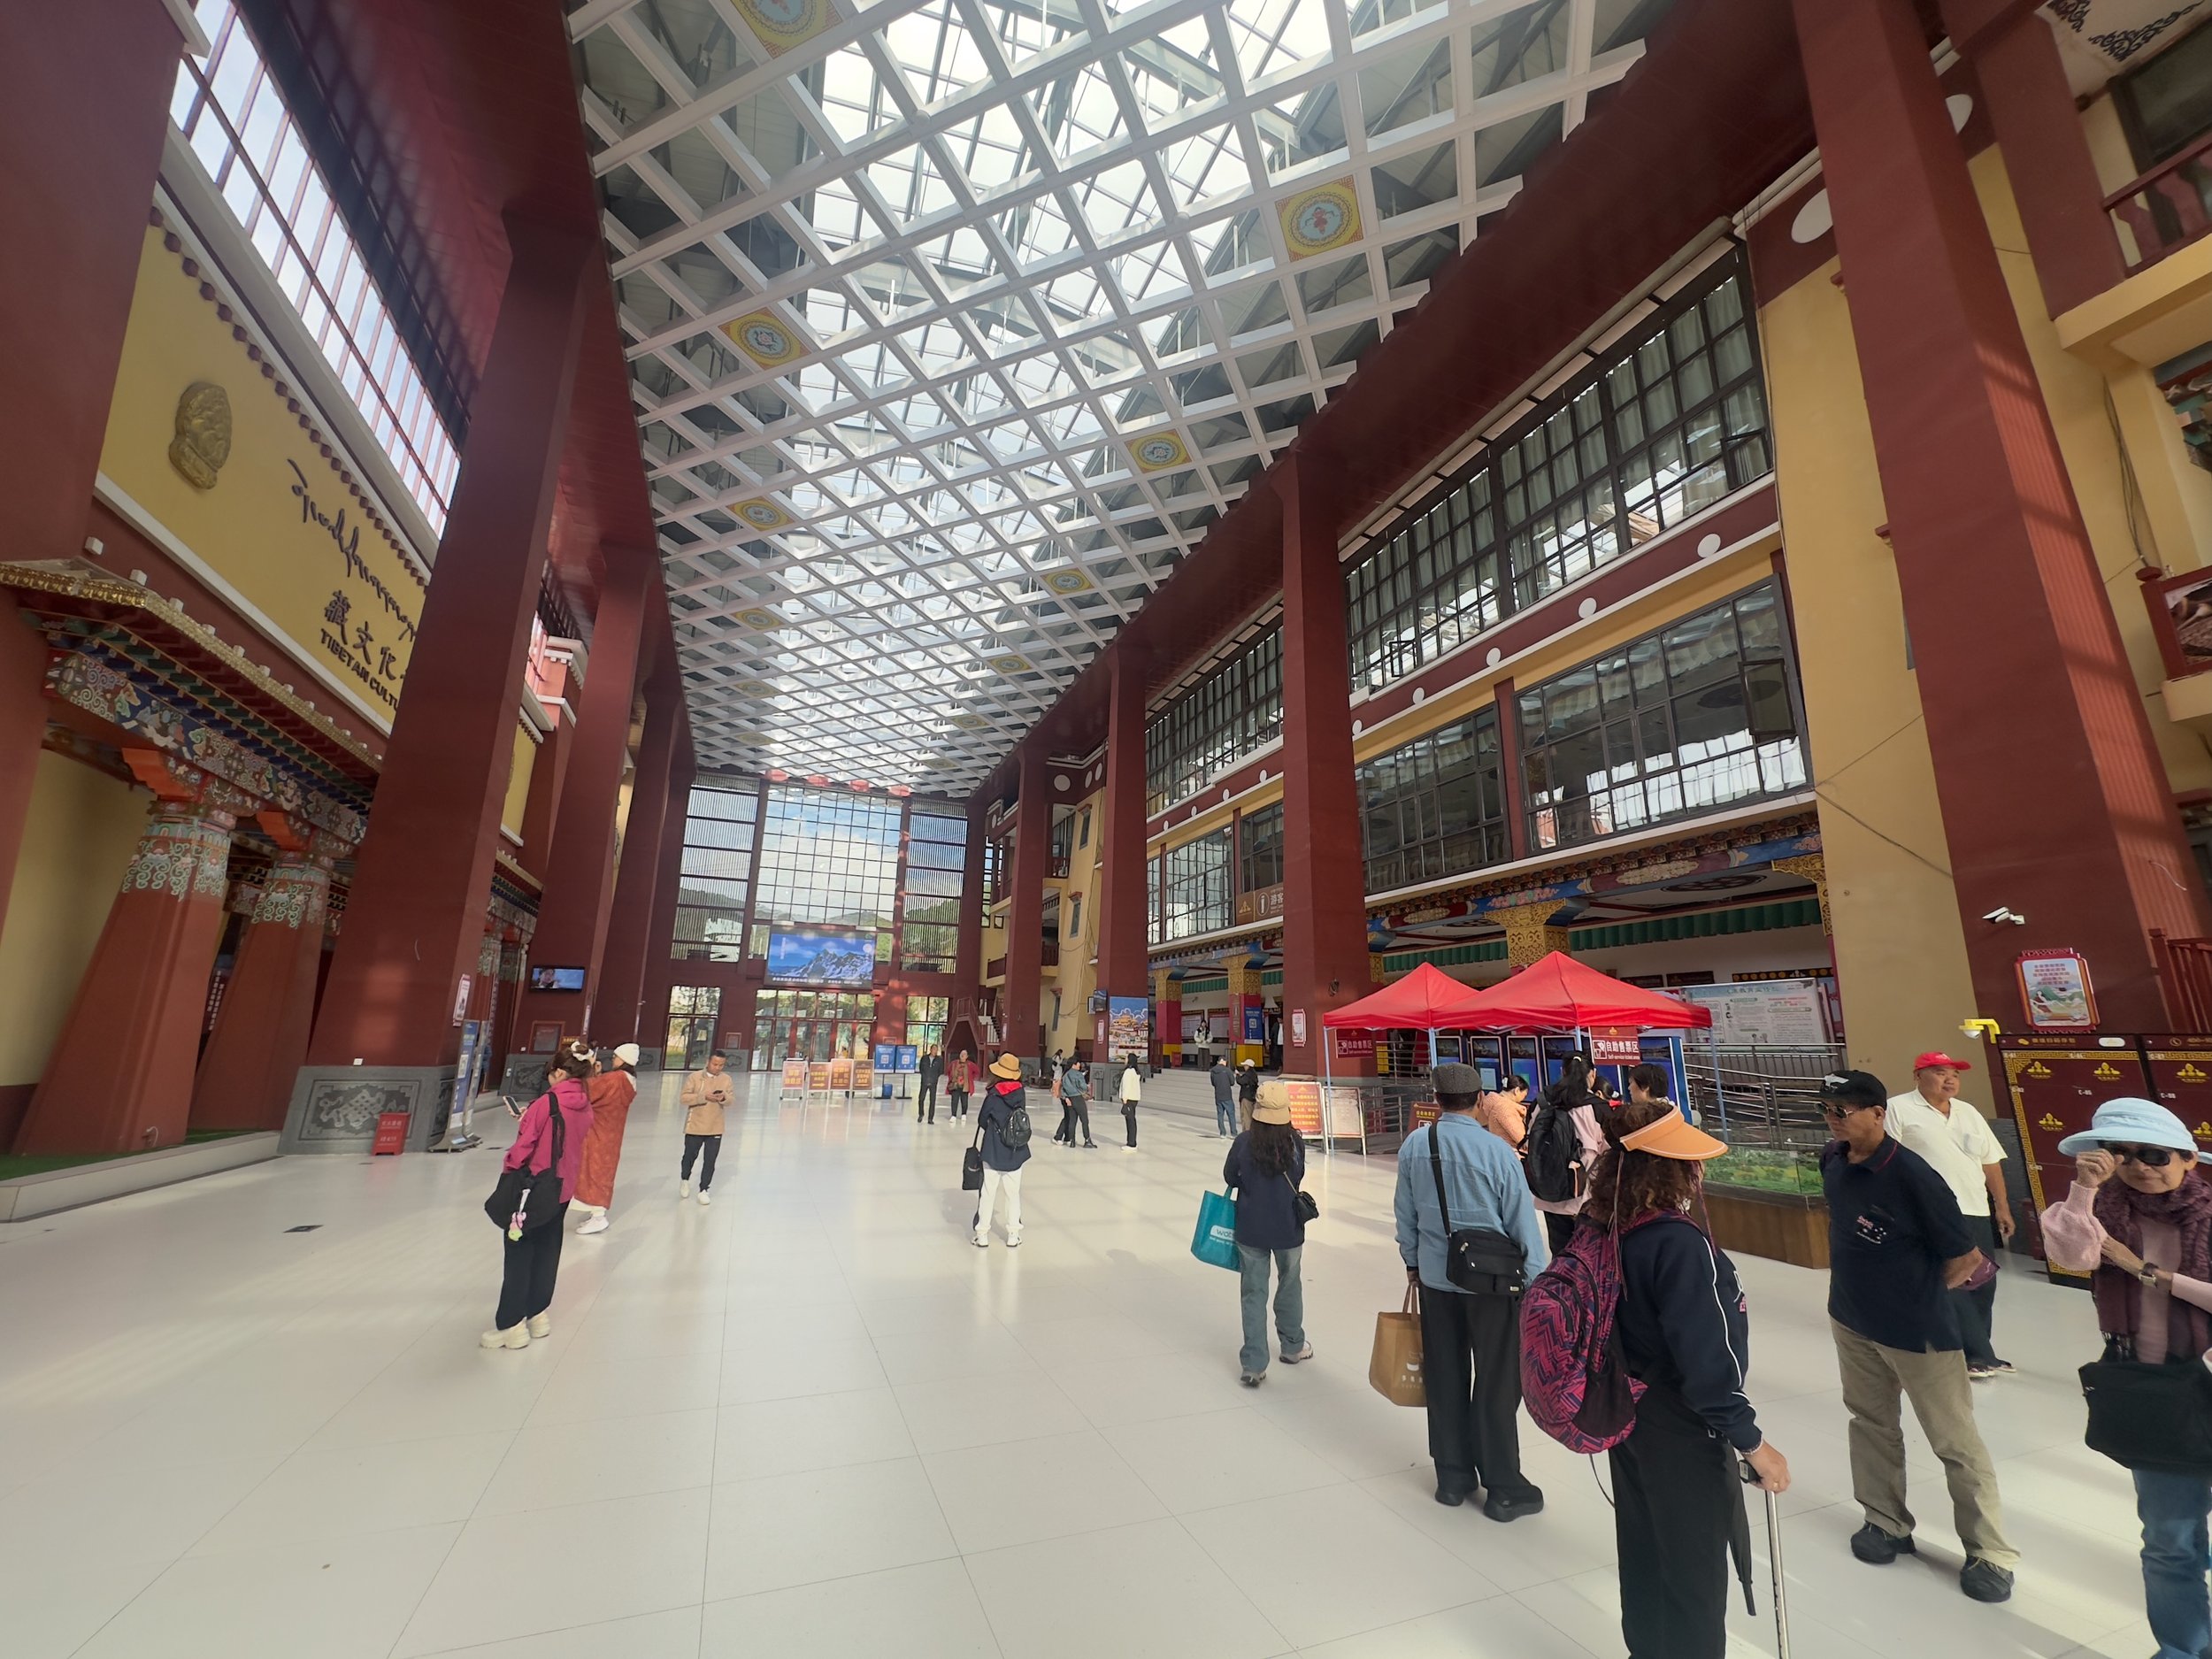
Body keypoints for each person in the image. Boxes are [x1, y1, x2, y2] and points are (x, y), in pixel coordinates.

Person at [1590, 1094, 1791, 1657]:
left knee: (1646, 1553)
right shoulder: (1679, 1244)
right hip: (1682, 1427)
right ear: (1674, 1170)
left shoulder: (1609, 1226)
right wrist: (1751, 1443)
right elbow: (1707, 1364)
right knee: (1695, 1577)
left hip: (1626, 1416)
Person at [1818, 1069, 2016, 1602]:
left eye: (1844, 1112)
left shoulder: (1912, 1175)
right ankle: (1886, 1522)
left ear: (1879, 1114)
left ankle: (1989, 1553)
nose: (1834, 1121)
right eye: (1828, 1111)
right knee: (1871, 1422)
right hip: (1852, 1321)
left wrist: (1915, 1297)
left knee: (1954, 1440)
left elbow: (1966, 1259)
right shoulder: (1833, 1161)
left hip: (1919, 1333)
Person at [2039, 1097, 2212, 1659]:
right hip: (2150, 1392)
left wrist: (2146, 1271)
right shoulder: (2103, 1213)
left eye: (2155, 1154)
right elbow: (2072, 1254)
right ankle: (2184, 1650)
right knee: (2169, 1541)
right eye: (2123, 1154)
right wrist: (2085, 1190)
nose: (2140, 1166)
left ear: (2189, 1159)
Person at [1394, 1061, 1550, 1520]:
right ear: (1481, 1100)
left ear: (1436, 1099)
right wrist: (1537, 1282)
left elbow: (1405, 1215)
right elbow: (1523, 1223)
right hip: (1494, 1287)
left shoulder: (1414, 1146)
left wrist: (1412, 1263)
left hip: (1437, 1282)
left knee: (1444, 1376)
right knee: (1499, 1383)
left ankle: (1452, 1478)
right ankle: (1503, 1487)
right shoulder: (1497, 1152)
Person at [1887, 1051, 2016, 1380]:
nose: (1950, 1080)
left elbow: (1990, 1161)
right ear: (1918, 1076)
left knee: (1983, 1282)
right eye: (1940, 1072)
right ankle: (1973, 1354)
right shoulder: (1899, 1109)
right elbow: (1889, 1161)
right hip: (1930, 1211)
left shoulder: (1968, 1112)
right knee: (1955, 1279)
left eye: (1954, 1075)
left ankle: (1980, 1349)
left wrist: (2001, 1205)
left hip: (1974, 1207)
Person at [483, 1036, 595, 1349]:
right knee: (548, 1251)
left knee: (518, 1253)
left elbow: (522, 1151)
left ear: (559, 1072)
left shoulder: (546, 1103)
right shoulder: (584, 1103)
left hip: (531, 1190)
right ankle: (538, 1315)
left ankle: (511, 1326)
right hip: (561, 1188)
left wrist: (509, 1166)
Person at [1224, 1096, 1311, 1385]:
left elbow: (1229, 1176)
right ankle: (1292, 1346)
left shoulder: (1244, 1142)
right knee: (1290, 1282)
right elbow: (1297, 1176)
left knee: (1253, 1292)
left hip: (1251, 1226)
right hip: (1288, 1227)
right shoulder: (1294, 1143)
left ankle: (1254, 1364)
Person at [1529, 1058, 1606, 1256]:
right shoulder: (1597, 1107)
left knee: (1560, 1255)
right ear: (1593, 1074)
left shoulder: (1542, 1102)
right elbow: (1608, 1149)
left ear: (1563, 1072)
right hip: (1586, 1196)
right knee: (1589, 1257)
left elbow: (1532, 1139)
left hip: (1550, 1193)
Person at [572, 1041, 639, 1235]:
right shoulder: (627, 1079)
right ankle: (595, 1212)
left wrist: (590, 1067)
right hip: (611, 1132)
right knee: (602, 1170)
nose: (614, 1059)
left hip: (598, 1131)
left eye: (616, 1057)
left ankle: (598, 1216)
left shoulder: (616, 1078)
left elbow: (589, 1089)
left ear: (624, 1059)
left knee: (594, 1170)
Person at [974, 1052, 1031, 1248]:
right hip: (1015, 1149)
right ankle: (1013, 1235)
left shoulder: (993, 1094)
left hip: (992, 1148)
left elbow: (982, 1120)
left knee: (988, 1192)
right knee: (1013, 1194)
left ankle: (982, 1234)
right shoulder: (1020, 1093)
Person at [680, 1048, 734, 1205]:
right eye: (715, 1064)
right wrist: (703, 1097)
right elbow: (684, 1098)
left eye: (721, 1065)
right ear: (708, 1062)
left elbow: (731, 1100)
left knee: (710, 1159)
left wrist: (723, 1097)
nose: (717, 1068)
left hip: (715, 1126)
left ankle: (704, 1189)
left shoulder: (726, 1079)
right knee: (690, 1155)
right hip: (695, 1125)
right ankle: (685, 1178)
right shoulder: (695, 1077)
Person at [1474, 1074, 1531, 1151]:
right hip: (1512, 1153)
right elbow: (1521, 1139)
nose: (1523, 1099)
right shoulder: (1505, 1109)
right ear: (1517, 1091)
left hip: (1499, 1150)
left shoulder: (1492, 1103)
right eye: (1524, 1096)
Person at [1063, 1056, 1094, 1148]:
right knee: (1084, 1120)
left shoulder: (1066, 1075)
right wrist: (1087, 1087)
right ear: (1074, 1064)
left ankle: (1072, 1141)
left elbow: (1063, 1089)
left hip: (1070, 1099)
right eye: (1078, 1063)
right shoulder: (1078, 1074)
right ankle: (1087, 1140)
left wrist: (1066, 1098)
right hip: (1078, 1098)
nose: (1080, 1065)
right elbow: (1083, 1086)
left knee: (1072, 1120)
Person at [1210, 1054, 1237, 1138]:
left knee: (1220, 1115)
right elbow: (1232, 1082)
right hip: (1227, 1096)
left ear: (1218, 1062)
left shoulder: (1213, 1071)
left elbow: (1213, 1083)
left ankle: (1222, 1133)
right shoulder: (1228, 1070)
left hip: (1218, 1095)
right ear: (1225, 1062)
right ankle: (1233, 1133)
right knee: (1231, 1115)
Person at [947, 1048, 976, 1118]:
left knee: (964, 1101)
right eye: (961, 1054)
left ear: (967, 1056)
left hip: (965, 1085)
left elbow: (976, 1071)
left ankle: (964, 1114)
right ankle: (953, 1115)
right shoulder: (954, 1063)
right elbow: (948, 1071)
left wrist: (971, 1078)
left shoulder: (970, 1064)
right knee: (954, 1101)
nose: (962, 1055)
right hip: (955, 1085)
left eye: (964, 1054)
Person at [1118, 1058, 1141, 1150]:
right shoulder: (1136, 1072)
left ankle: (1131, 1143)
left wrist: (1124, 1098)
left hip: (1129, 1098)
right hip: (1134, 1098)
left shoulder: (1128, 1071)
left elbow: (1126, 1086)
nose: (1125, 1060)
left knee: (1130, 1121)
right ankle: (1132, 1141)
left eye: (1127, 1058)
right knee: (1131, 1119)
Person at [917, 1045, 942, 1124]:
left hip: (933, 1082)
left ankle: (930, 1118)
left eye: (936, 1050)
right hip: (924, 1081)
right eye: (934, 1049)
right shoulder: (924, 1058)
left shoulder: (939, 1060)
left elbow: (941, 1071)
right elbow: (921, 1068)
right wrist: (925, 1076)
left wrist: (935, 1077)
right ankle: (921, 1114)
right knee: (921, 1098)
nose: (935, 1051)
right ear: (930, 1050)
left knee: (932, 1100)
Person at [1237, 1057, 1260, 1132]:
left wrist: (1237, 1075)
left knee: (1246, 1116)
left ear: (1248, 1066)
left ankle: (1246, 1132)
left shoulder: (1248, 1074)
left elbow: (1241, 1081)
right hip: (1252, 1097)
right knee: (1250, 1115)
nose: (1244, 1067)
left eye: (1245, 1065)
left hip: (1246, 1097)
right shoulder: (1254, 1074)